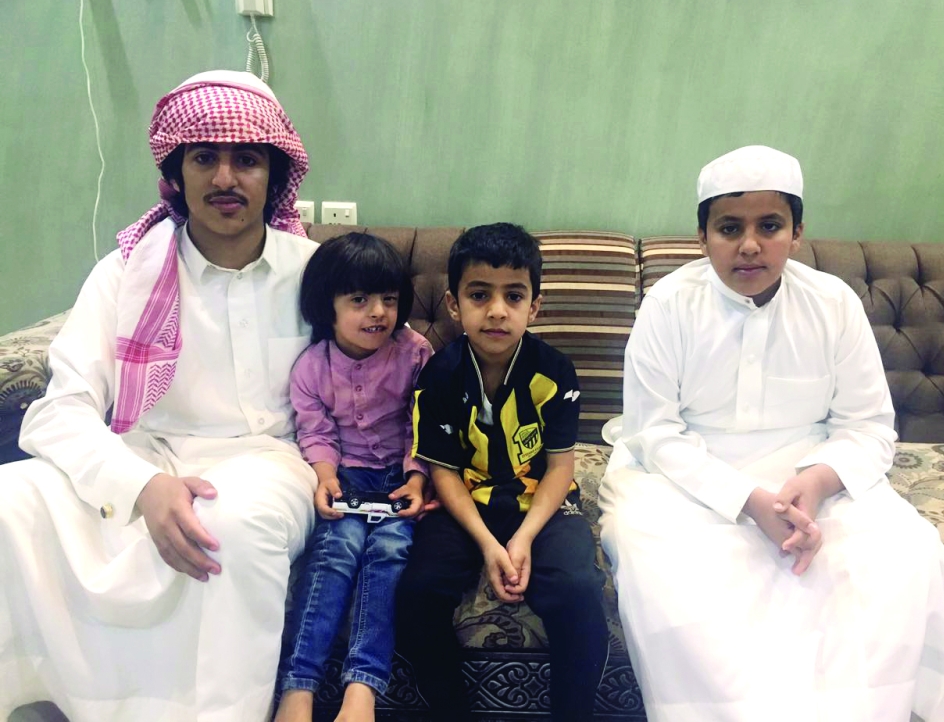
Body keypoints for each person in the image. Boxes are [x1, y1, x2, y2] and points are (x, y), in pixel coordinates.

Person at [598, 145, 944, 722]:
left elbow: (868, 426)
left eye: (769, 226)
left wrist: (815, 483)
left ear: (796, 234)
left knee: (907, 555)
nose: (749, 245)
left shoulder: (833, 304)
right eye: (729, 228)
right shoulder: (667, 305)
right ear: (702, 237)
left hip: (812, 473)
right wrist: (748, 501)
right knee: (658, 561)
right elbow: (655, 432)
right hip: (684, 480)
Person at [0, 70, 320, 722]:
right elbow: (58, 411)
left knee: (231, 524)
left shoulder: (315, 272)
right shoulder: (127, 271)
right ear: (177, 173)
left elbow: (389, 371)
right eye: (204, 158)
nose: (225, 177)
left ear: (274, 175)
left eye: (246, 159)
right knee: (11, 499)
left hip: (268, 460)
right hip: (143, 454)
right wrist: (140, 485)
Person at [394, 223, 609, 722]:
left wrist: (524, 537)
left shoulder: (555, 371)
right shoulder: (439, 375)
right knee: (418, 592)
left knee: (578, 589)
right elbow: (444, 472)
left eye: (513, 296)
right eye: (479, 295)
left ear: (534, 306)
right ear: (454, 305)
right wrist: (490, 545)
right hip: (464, 503)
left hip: (542, 503)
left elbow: (560, 466)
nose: (496, 310)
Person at [274, 232, 433, 722]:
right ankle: (298, 687)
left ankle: (362, 687)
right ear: (329, 304)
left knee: (388, 553)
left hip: (400, 479)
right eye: (360, 300)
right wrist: (324, 476)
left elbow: (424, 424)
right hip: (344, 477)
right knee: (335, 552)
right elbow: (315, 430)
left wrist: (417, 477)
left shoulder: (415, 352)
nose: (378, 312)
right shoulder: (311, 367)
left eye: (389, 299)